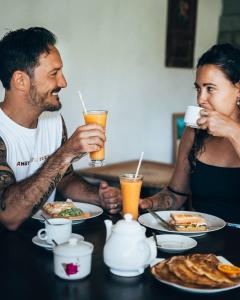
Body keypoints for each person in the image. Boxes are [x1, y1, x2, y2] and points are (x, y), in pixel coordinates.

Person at [0, 27, 121, 230]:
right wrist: (65, 154)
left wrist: (98, 197)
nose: (63, 82)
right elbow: (8, 215)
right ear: (20, 80)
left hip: (52, 239)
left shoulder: (54, 123)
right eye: (54, 73)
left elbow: (64, 180)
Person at [140, 43, 240, 223]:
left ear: (238, 89)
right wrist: (150, 202)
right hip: (200, 242)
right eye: (198, 88)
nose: (201, 99)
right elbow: (176, 194)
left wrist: (233, 131)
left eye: (210, 88)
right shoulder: (194, 131)